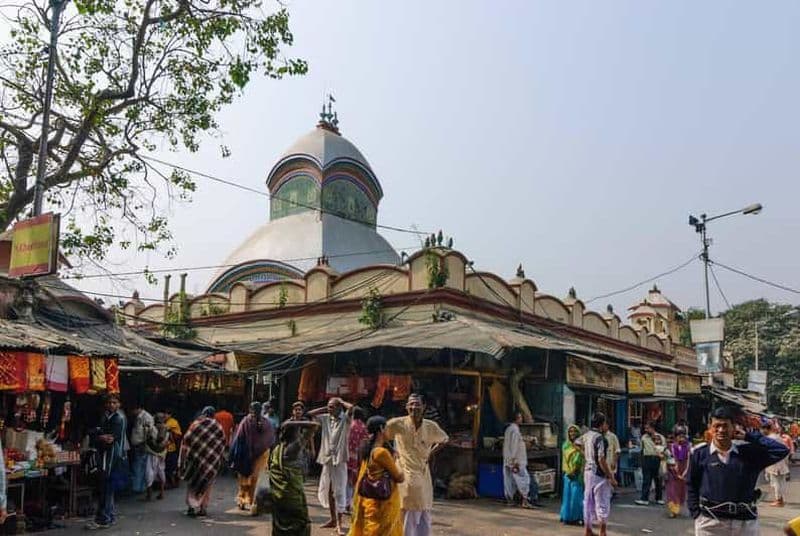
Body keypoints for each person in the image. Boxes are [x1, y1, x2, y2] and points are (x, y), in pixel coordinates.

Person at [688, 406, 790, 535]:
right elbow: (691, 484)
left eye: (725, 426)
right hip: (710, 523)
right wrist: (696, 515)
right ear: (710, 427)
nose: (721, 430)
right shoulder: (700, 454)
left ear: (734, 427)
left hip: (745, 524)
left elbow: (781, 450)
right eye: (716, 426)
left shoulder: (748, 453)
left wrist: (749, 436)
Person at [385, 393, 449, 536]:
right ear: (407, 407)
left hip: (422, 472)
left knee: (424, 509)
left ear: (424, 406)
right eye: (411, 404)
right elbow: (381, 434)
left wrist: (431, 453)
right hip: (405, 472)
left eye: (417, 404)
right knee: (409, 507)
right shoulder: (397, 423)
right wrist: (393, 451)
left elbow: (444, 439)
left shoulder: (430, 426)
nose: (414, 407)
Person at [348, 415, 405, 536]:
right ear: (381, 429)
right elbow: (399, 477)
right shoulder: (381, 452)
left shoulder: (367, 449)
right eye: (387, 428)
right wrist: (399, 463)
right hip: (382, 504)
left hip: (370, 501)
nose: (389, 432)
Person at [308, 397, 355, 535]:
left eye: (332, 407)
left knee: (339, 491)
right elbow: (310, 414)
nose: (330, 409)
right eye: (329, 407)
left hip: (339, 460)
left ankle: (339, 524)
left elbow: (351, 408)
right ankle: (333, 519)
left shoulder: (345, 420)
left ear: (340, 407)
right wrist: (326, 407)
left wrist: (340, 401)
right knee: (328, 489)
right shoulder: (326, 418)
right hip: (327, 458)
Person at [270, 419, 319, 536]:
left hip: (279, 496)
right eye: (298, 431)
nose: (300, 433)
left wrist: (289, 424)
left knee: (281, 526)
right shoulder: (294, 448)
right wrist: (294, 423)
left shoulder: (278, 449)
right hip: (292, 496)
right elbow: (315, 426)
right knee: (299, 525)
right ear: (294, 433)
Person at [86, 394, 128, 530]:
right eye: (109, 402)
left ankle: (103, 519)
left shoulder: (118, 418)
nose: (111, 405)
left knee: (106, 487)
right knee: (107, 487)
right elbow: (100, 433)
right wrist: (100, 435)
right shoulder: (106, 416)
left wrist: (99, 435)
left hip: (111, 456)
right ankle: (109, 516)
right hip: (106, 455)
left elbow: (110, 438)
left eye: (114, 402)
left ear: (119, 404)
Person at [179, 406, 226, 517]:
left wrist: (182, 460)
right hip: (211, 462)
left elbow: (186, 440)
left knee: (192, 483)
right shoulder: (218, 426)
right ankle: (203, 508)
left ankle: (191, 508)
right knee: (207, 484)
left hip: (195, 460)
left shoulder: (196, 424)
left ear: (204, 413)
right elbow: (223, 443)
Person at [231, 401, 275, 515]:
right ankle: (245, 501)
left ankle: (251, 502)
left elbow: (239, 438)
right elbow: (240, 438)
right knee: (249, 479)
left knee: (251, 479)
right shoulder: (250, 422)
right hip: (250, 454)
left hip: (257, 455)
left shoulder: (262, 422)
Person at [580, 412, 617, 536]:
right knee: (602, 502)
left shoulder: (587, 435)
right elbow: (601, 459)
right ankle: (603, 531)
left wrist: (586, 455)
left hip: (588, 471)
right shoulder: (601, 438)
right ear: (602, 424)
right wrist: (610, 476)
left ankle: (588, 530)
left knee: (588, 501)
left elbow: (576, 443)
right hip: (599, 474)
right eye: (606, 423)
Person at [502, 411, 532, 508]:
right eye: (520, 417)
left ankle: (510, 500)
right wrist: (514, 460)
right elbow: (514, 446)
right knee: (523, 478)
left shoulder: (508, 429)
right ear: (517, 418)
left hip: (508, 459)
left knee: (509, 480)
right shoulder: (515, 430)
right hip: (516, 460)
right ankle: (525, 500)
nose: (521, 419)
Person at [636, 421, 666, 506]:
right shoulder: (644, 438)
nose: (646, 430)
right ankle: (644, 498)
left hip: (657, 458)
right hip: (647, 458)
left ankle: (659, 498)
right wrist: (641, 461)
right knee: (647, 479)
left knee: (658, 479)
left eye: (647, 428)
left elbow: (664, 449)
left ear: (652, 428)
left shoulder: (660, 437)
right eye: (645, 428)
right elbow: (642, 449)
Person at [560, 424, 585, 525]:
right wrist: (569, 471)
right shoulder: (566, 445)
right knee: (567, 497)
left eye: (574, 431)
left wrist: (579, 449)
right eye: (570, 431)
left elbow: (584, 456)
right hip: (568, 474)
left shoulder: (581, 444)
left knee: (577, 497)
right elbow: (565, 460)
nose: (572, 433)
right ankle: (566, 517)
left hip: (578, 474)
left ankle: (577, 517)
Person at [129, 402, 155, 495]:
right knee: (138, 465)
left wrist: (144, 443)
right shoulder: (138, 417)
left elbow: (149, 432)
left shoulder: (146, 417)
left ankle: (140, 487)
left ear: (138, 409)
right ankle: (138, 486)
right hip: (137, 444)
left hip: (142, 445)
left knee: (141, 466)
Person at [347, 407, 369, 512]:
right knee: (354, 481)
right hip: (357, 456)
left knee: (345, 480)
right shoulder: (363, 427)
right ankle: (350, 503)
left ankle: (345, 503)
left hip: (345, 456)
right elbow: (363, 445)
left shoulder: (348, 425)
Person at [763, 422, 790, 507]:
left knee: (776, 483)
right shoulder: (778, 437)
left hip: (774, 464)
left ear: (767, 429)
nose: (762, 431)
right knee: (778, 483)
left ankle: (779, 501)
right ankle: (779, 499)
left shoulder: (770, 439)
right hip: (780, 463)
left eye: (763, 429)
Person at [144, 412, 170, 501]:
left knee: (149, 472)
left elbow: (151, 440)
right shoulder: (167, 428)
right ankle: (161, 493)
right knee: (161, 471)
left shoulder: (152, 428)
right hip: (162, 453)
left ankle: (149, 494)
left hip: (152, 453)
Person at [665, 427, 690, 518]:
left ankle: (677, 507)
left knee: (681, 490)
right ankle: (672, 510)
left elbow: (688, 459)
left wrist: (686, 471)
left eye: (683, 437)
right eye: (679, 436)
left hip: (683, 469)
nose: (681, 439)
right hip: (672, 470)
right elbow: (668, 458)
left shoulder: (687, 447)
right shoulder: (671, 447)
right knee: (672, 490)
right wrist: (674, 467)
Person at [164, 409, 183, 489]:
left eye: (167, 414)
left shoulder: (172, 422)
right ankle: (171, 482)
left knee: (171, 467)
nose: (165, 415)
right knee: (170, 466)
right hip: (168, 448)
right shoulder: (167, 422)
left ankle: (173, 483)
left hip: (172, 448)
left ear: (170, 415)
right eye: (164, 414)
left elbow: (166, 429)